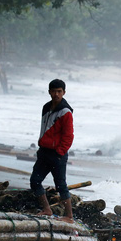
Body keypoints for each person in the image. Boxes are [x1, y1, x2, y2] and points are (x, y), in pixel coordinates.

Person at [30, 78, 74, 221]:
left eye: (59, 91)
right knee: (35, 180)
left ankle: (69, 216)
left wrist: (60, 152)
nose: (56, 94)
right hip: (44, 151)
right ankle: (47, 209)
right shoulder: (46, 107)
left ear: (64, 92)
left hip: (57, 154)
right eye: (54, 91)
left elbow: (69, 135)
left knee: (61, 185)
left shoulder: (66, 112)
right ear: (49, 92)